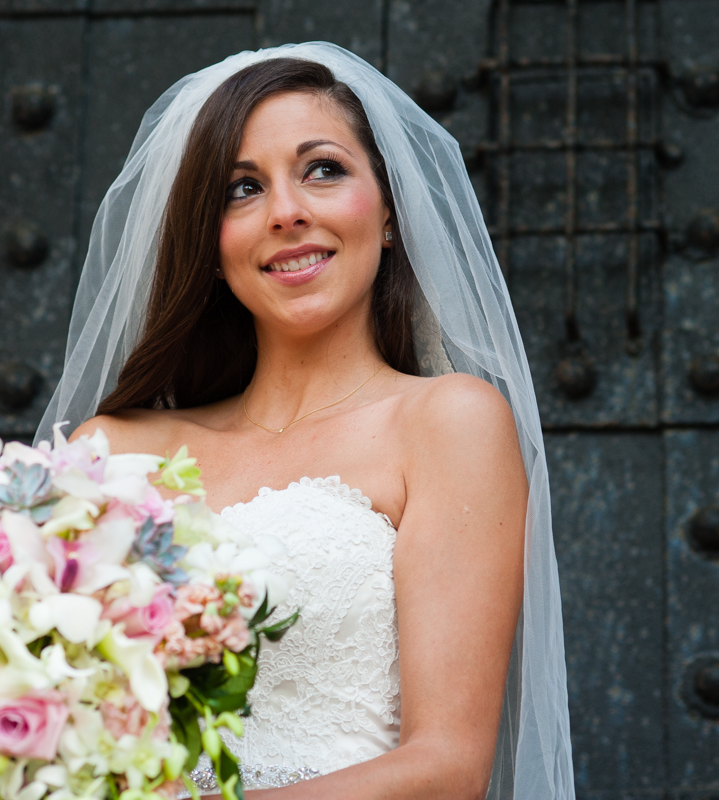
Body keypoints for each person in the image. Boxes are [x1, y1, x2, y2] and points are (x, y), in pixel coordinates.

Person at [43, 43, 573, 799]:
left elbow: (449, 768)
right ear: (210, 241)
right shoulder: (111, 454)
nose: (287, 211)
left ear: (390, 212)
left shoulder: (448, 424)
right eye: (241, 188)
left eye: (323, 169)